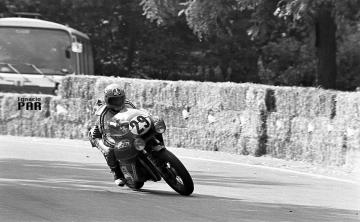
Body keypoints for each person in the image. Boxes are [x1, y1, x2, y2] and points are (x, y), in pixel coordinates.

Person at [88, 83, 136, 186]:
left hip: (119, 128)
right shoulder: (103, 113)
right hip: (98, 134)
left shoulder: (129, 104)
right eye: (114, 100)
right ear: (107, 100)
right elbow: (106, 135)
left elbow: (136, 116)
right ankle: (117, 174)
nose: (118, 102)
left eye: (120, 99)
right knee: (110, 150)